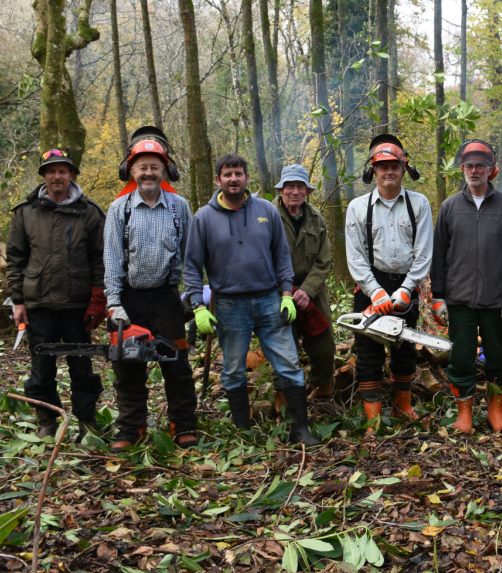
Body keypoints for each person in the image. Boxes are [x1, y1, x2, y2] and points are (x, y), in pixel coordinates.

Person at [182, 153, 319, 446]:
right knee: (232, 368)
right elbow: (191, 266)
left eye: (239, 174)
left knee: (289, 363)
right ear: (218, 180)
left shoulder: (266, 211)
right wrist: (198, 306)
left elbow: (282, 256)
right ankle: (243, 430)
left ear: (247, 178)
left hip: (269, 299)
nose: (234, 179)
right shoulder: (203, 218)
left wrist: (285, 295)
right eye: (228, 174)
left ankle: (300, 429)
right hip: (230, 305)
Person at [104, 139, 199, 451]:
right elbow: (112, 258)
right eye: (142, 167)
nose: (148, 173)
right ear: (131, 170)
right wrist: (114, 303)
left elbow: (190, 255)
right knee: (128, 369)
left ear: (164, 171)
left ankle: (182, 425)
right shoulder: (120, 209)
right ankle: (132, 428)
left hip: (167, 299)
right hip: (130, 299)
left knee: (177, 367)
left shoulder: (179, 207)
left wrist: (192, 295)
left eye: (154, 167)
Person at [7, 149, 106, 439]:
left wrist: (98, 300)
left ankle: (86, 421)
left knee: (82, 367)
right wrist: (19, 301)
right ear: (44, 176)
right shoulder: (26, 212)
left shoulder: (90, 212)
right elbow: (16, 259)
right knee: (41, 368)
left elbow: (100, 259)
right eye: (51, 171)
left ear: (72, 175)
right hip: (39, 303)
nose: (57, 176)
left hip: (78, 305)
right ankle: (47, 421)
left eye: (63, 171)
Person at [431, 139, 502, 434]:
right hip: (458, 301)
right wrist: (438, 297)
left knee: (497, 358)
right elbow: (439, 255)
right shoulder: (449, 208)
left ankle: (496, 412)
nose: (474, 170)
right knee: (461, 358)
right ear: (462, 169)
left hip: (496, 300)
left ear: (491, 171)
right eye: (470, 165)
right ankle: (464, 415)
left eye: (480, 166)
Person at [345, 135, 432, 433]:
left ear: (404, 167)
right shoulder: (357, 208)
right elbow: (355, 257)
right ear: (373, 171)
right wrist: (376, 293)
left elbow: (423, 253)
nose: (388, 171)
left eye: (394, 165)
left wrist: (407, 290)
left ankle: (402, 405)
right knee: (368, 351)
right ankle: (373, 416)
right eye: (382, 166)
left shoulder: (419, 204)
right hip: (371, 282)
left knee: (405, 348)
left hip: (406, 282)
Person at [271, 164, 337, 413]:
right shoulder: (267, 216)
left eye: (300, 187)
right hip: (277, 292)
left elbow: (324, 261)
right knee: (282, 347)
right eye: (290, 187)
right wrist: (284, 289)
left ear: (307, 191)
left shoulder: (316, 218)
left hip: (311, 291)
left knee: (324, 345)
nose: (295, 192)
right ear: (281, 189)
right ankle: (283, 403)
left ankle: (322, 391)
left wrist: (307, 290)